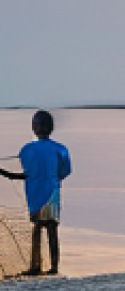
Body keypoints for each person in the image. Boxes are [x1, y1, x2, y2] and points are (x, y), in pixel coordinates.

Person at [0, 110, 72, 276]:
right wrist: (53, 178)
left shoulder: (27, 150)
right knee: (52, 230)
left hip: (35, 196)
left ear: (35, 128)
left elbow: (25, 174)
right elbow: (66, 171)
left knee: (37, 229)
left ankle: (35, 266)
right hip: (53, 194)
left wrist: (4, 173)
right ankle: (54, 267)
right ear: (51, 127)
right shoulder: (60, 149)